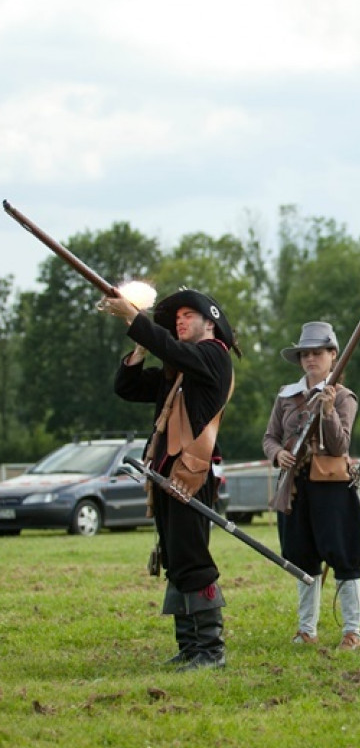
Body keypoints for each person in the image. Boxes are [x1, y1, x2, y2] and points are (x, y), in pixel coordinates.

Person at [105, 288, 239, 671]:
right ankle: (190, 645)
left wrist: (134, 320)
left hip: (192, 473)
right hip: (166, 474)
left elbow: (178, 351)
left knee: (193, 557)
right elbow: (127, 387)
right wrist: (141, 348)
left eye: (187, 316)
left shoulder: (213, 356)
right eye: (175, 317)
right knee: (176, 557)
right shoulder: (181, 372)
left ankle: (211, 649)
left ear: (209, 323)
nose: (179, 322)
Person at [263, 322, 360, 650]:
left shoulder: (344, 398)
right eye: (305, 354)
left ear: (333, 355)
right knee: (301, 558)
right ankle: (306, 629)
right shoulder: (286, 395)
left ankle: (352, 630)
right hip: (295, 487)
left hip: (332, 487)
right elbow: (270, 438)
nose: (310, 359)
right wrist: (278, 454)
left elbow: (340, 446)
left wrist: (326, 410)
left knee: (345, 558)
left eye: (317, 353)